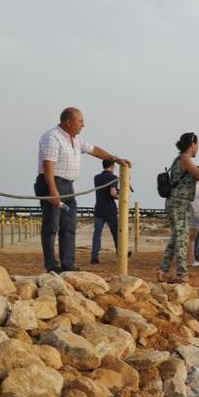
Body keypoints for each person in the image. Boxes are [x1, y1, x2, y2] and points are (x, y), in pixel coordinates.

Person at [35, 107, 129, 273]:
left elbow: (94, 150)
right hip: (52, 183)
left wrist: (115, 158)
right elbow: (48, 164)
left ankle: (68, 264)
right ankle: (51, 266)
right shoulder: (52, 137)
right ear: (68, 122)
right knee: (51, 226)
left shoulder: (75, 140)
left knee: (69, 225)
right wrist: (52, 190)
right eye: (80, 121)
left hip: (68, 185)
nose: (83, 125)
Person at [158, 133, 199, 283]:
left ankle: (163, 271)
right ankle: (182, 273)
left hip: (177, 202)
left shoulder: (179, 158)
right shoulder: (185, 158)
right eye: (197, 145)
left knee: (176, 238)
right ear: (192, 144)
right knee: (182, 238)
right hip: (179, 202)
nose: (197, 148)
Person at [90, 160, 118, 264]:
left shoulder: (96, 177)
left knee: (97, 233)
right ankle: (120, 253)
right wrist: (119, 196)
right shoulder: (113, 177)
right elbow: (112, 193)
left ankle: (94, 256)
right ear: (112, 166)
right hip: (110, 208)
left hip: (99, 208)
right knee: (116, 232)